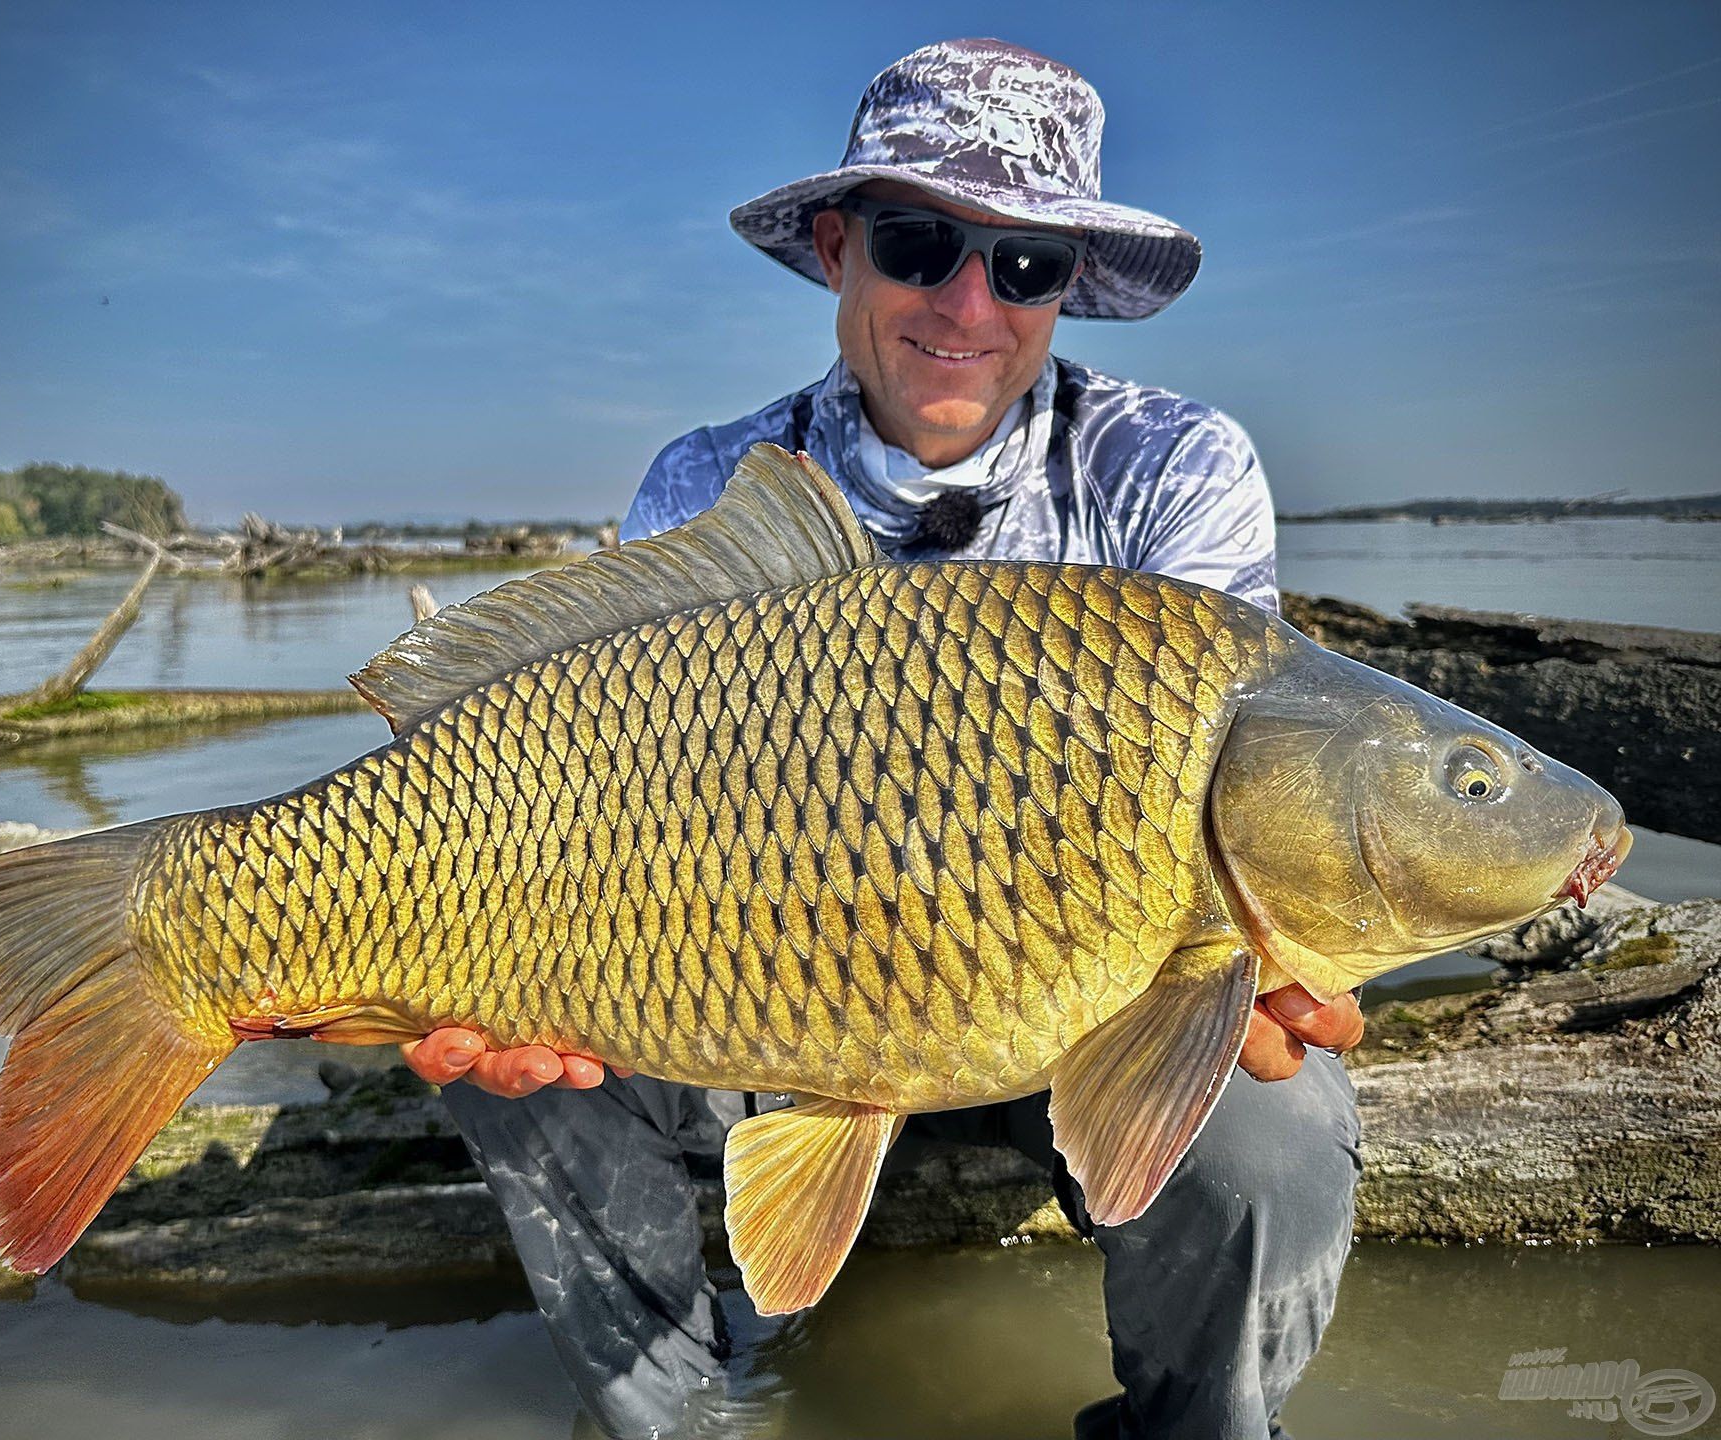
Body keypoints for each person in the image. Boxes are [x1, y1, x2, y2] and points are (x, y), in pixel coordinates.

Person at [404, 38, 1365, 1440]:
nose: (969, 302)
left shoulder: (1171, 468)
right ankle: (668, 1419)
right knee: (520, 1061)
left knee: (1270, 1127)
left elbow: (1238, 764)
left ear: (1066, 290)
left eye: (1025, 266)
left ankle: (1198, 1429)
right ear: (841, 248)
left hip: (1079, 1003)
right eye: (922, 245)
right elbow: (594, 781)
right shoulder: (714, 482)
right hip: (755, 976)